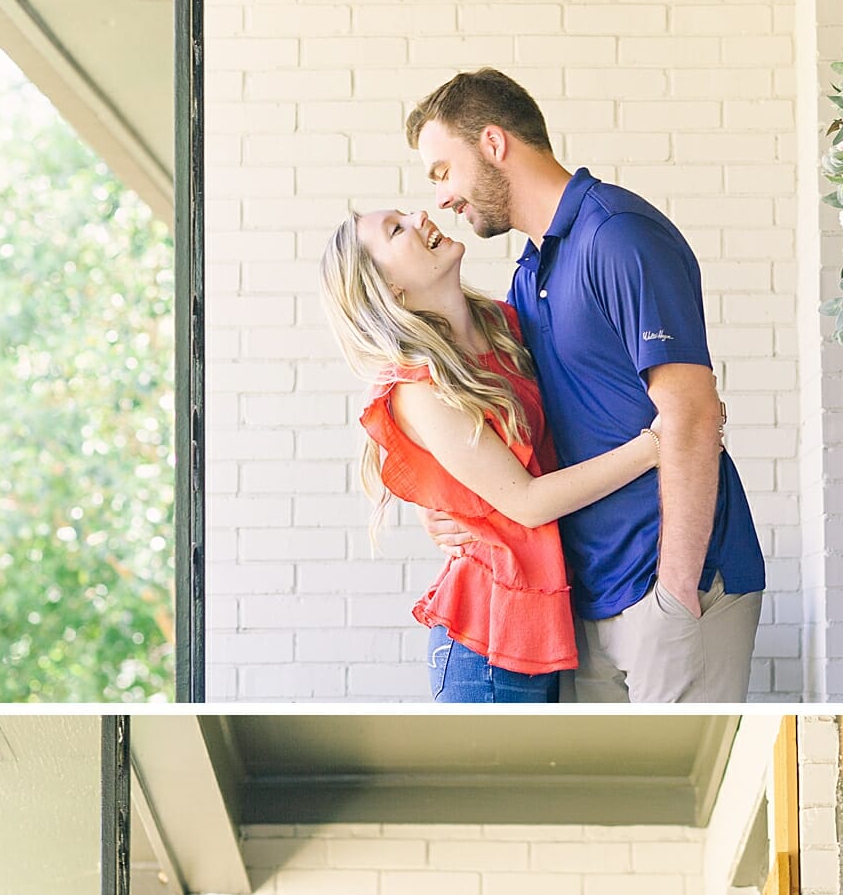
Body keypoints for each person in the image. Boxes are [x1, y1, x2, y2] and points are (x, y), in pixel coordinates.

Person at [403, 69, 765, 704]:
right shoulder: (531, 270)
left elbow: (692, 415)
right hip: (590, 592)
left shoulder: (618, 235)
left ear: (493, 143)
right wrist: (457, 510)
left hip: (673, 583)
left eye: (442, 171)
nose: (442, 199)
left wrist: (675, 591)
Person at [320, 208, 661, 703]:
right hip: (485, 644)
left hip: (547, 619)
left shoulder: (503, 326)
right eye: (397, 230)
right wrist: (656, 446)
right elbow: (527, 501)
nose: (420, 216)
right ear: (388, 290)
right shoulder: (420, 386)